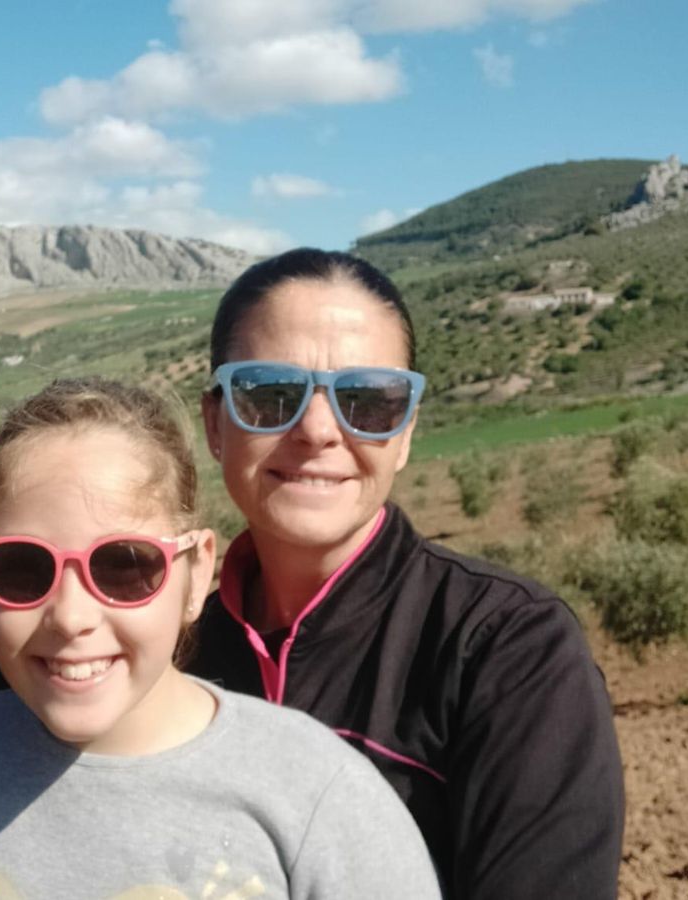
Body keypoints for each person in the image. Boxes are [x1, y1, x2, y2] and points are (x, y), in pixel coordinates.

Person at [0, 379, 443, 899]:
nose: (69, 616)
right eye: (20, 568)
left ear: (196, 572)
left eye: (124, 566)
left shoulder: (318, 794)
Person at [188, 248, 625, 900]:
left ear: (407, 432)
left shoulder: (507, 650)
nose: (316, 430)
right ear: (217, 424)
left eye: (367, 402)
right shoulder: (170, 646)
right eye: (269, 393)